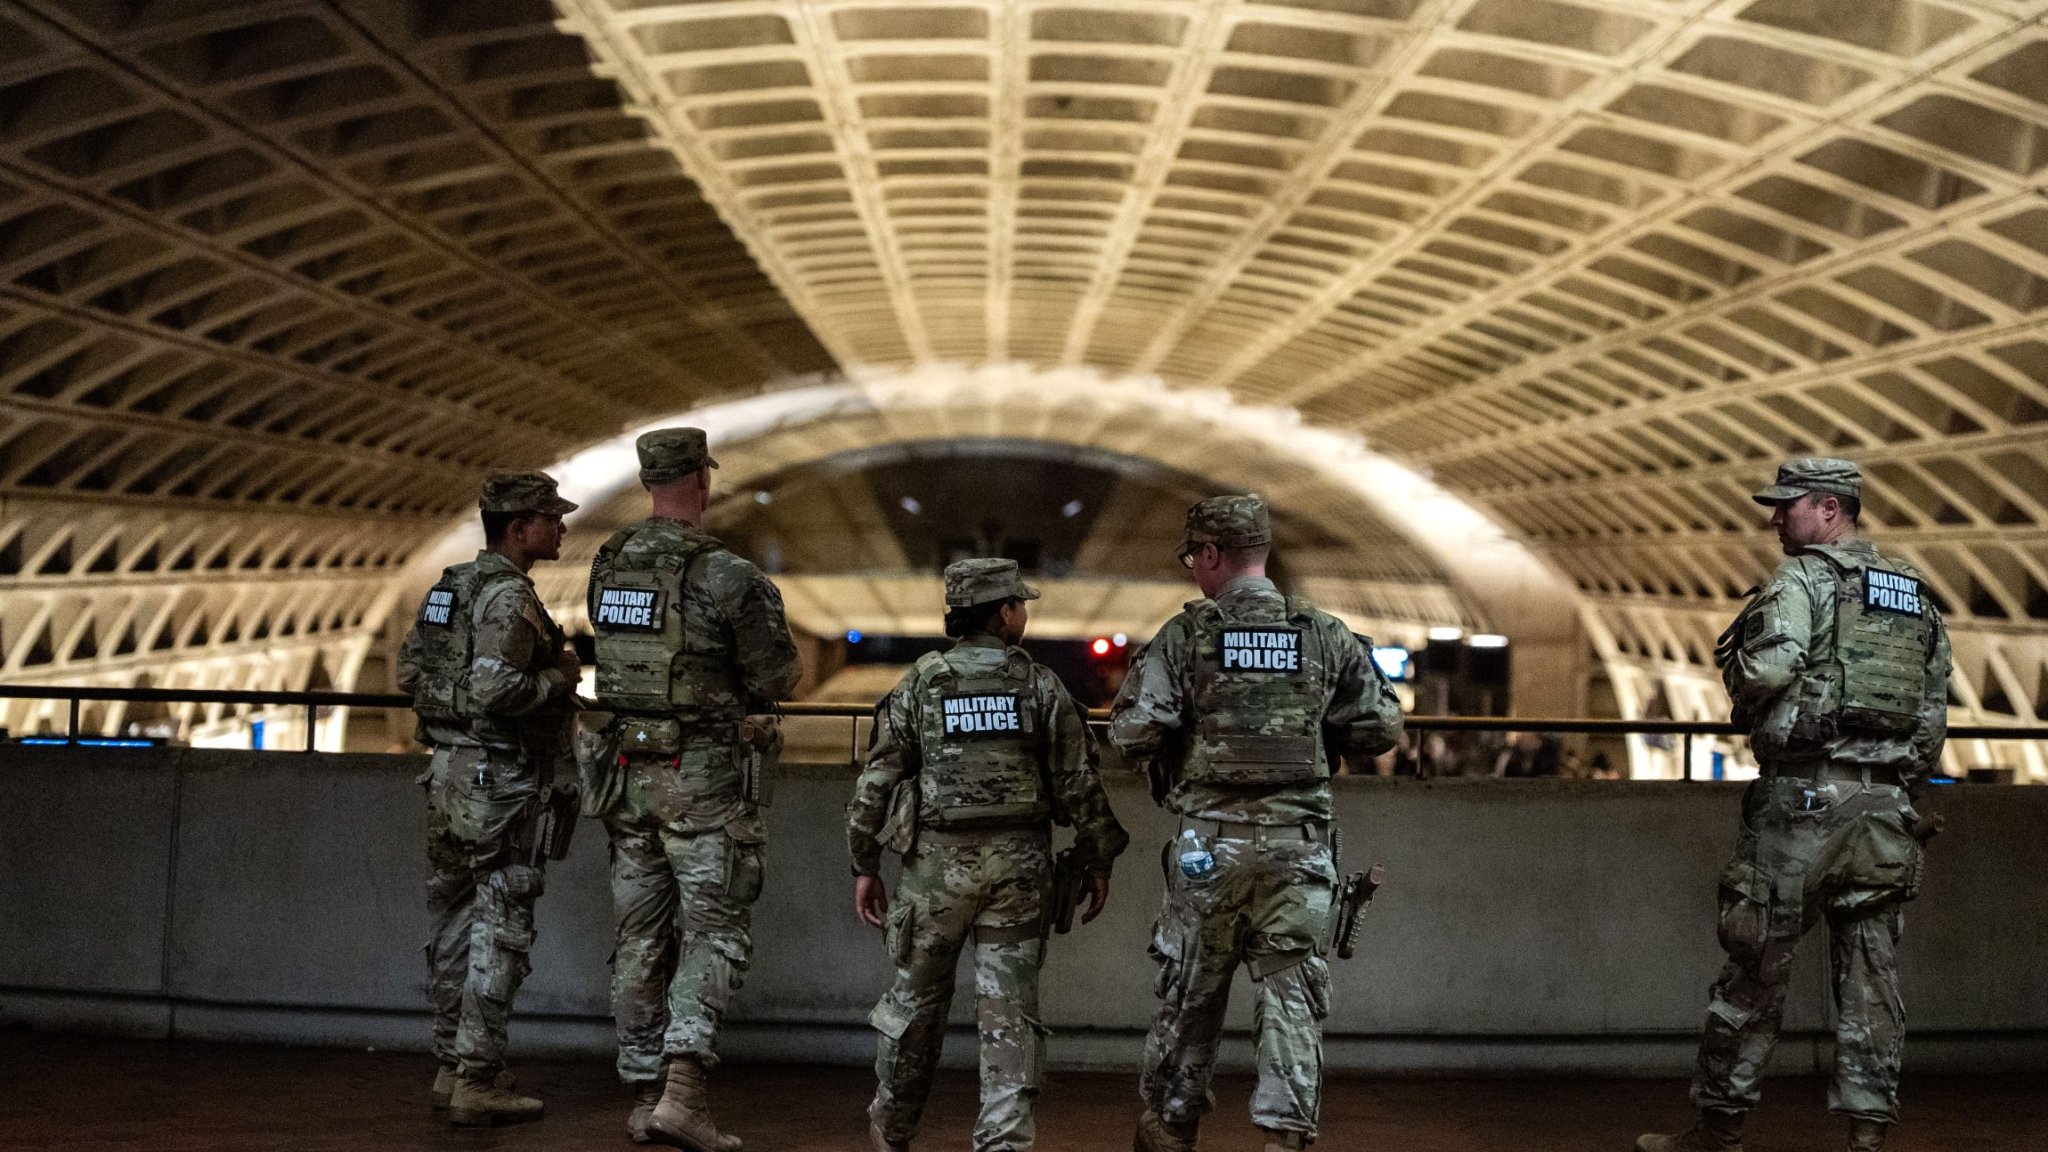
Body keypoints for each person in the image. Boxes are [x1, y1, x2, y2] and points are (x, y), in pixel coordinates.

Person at [1637, 458, 1951, 1152]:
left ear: (1831, 510)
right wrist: (1894, 785)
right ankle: (1867, 1139)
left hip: (1801, 810)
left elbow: (1771, 670)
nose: (1776, 518)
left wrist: (1744, 687)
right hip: (1885, 813)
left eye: (1789, 506)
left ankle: (1718, 1131)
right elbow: (1931, 716)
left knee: (1753, 973)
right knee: (1872, 984)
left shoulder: (1800, 579)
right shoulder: (1914, 594)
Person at [1111, 495, 1403, 1152]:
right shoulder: (1325, 635)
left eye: (1193, 558)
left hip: (1204, 857)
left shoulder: (1187, 636)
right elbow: (1381, 728)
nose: (1193, 571)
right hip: (1297, 858)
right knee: (1292, 1008)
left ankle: (1171, 1126)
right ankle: (1282, 1138)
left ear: (1212, 554)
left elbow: (1132, 732)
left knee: (1191, 1002)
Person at [848, 558, 1129, 1152]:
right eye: (1020, 603)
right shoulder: (1039, 684)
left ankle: (893, 1129)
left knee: (914, 1007)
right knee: (1010, 1017)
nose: (1024, 613)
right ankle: (1003, 1142)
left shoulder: (924, 681)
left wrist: (865, 863)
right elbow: (1079, 782)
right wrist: (1098, 855)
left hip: (934, 873)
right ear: (1004, 613)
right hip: (1019, 871)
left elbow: (877, 780)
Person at [583, 427, 800, 1151]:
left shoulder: (609, 563)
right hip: (702, 777)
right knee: (714, 932)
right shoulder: (727, 576)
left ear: (650, 481)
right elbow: (778, 678)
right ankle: (683, 1094)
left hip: (624, 775)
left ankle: (644, 1098)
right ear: (701, 482)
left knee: (639, 936)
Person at [397, 471, 581, 1126]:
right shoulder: (509, 599)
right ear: (519, 527)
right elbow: (496, 689)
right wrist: (558, 681)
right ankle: (479, 1078)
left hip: (447, 773)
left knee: (450, 922)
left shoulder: (448, 588)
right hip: (498, 781)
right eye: (550, 518)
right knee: (501, 925)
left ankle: (451, 1066)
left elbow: (409, 672)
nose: (560, 527)